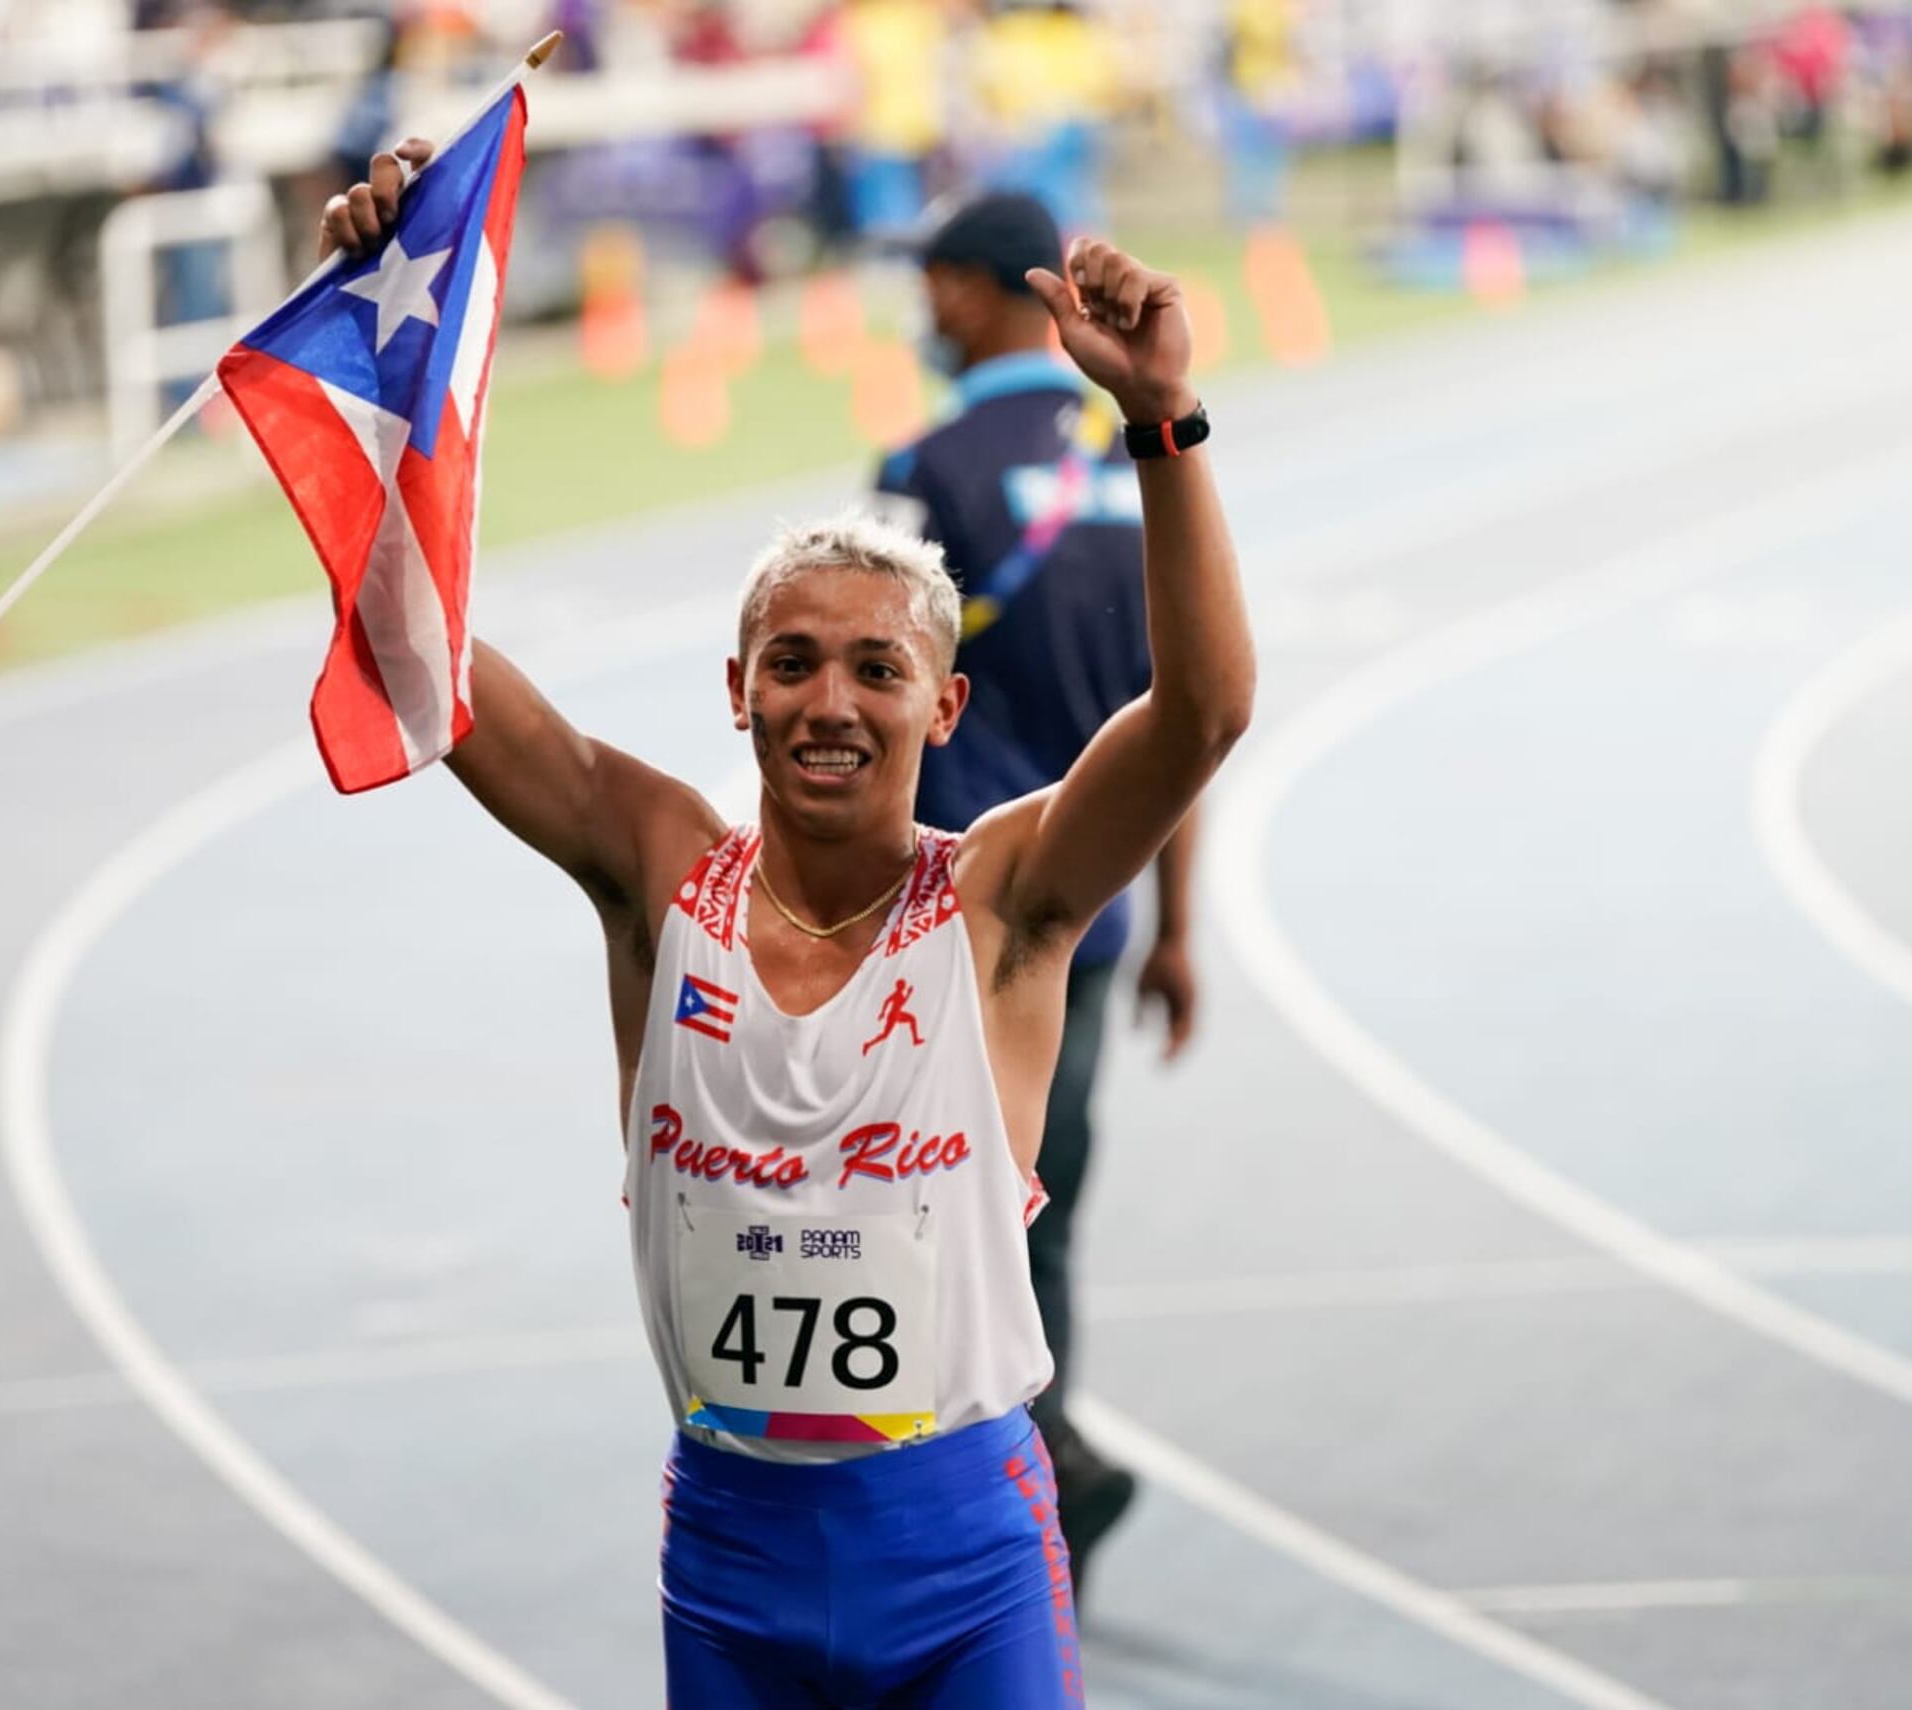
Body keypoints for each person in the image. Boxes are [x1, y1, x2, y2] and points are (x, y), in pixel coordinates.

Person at [321, 142, 1252, 1705]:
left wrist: (1163, 419)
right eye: (794, 661)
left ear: (943, 706)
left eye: (877, 669)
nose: (831, 700)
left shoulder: (999, 905)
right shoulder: (654, 867)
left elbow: (1204, 712)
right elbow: (418, 653)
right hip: (735, 1562)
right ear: (736, 692)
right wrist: (371, 331)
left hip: (965, 1565)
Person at [872, 187, 1200, 1597]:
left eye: (930, 282)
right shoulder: (1135, 474)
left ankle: (1026, 1484)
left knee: (924, 1225)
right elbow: (1177, 718)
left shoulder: (921, 466)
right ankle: (1041, 1490)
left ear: (966, 289)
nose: (920, 309)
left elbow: (868, 697)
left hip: (956, 926)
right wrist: (1178, 926)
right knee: (1040, 1211)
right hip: (1102, 918)